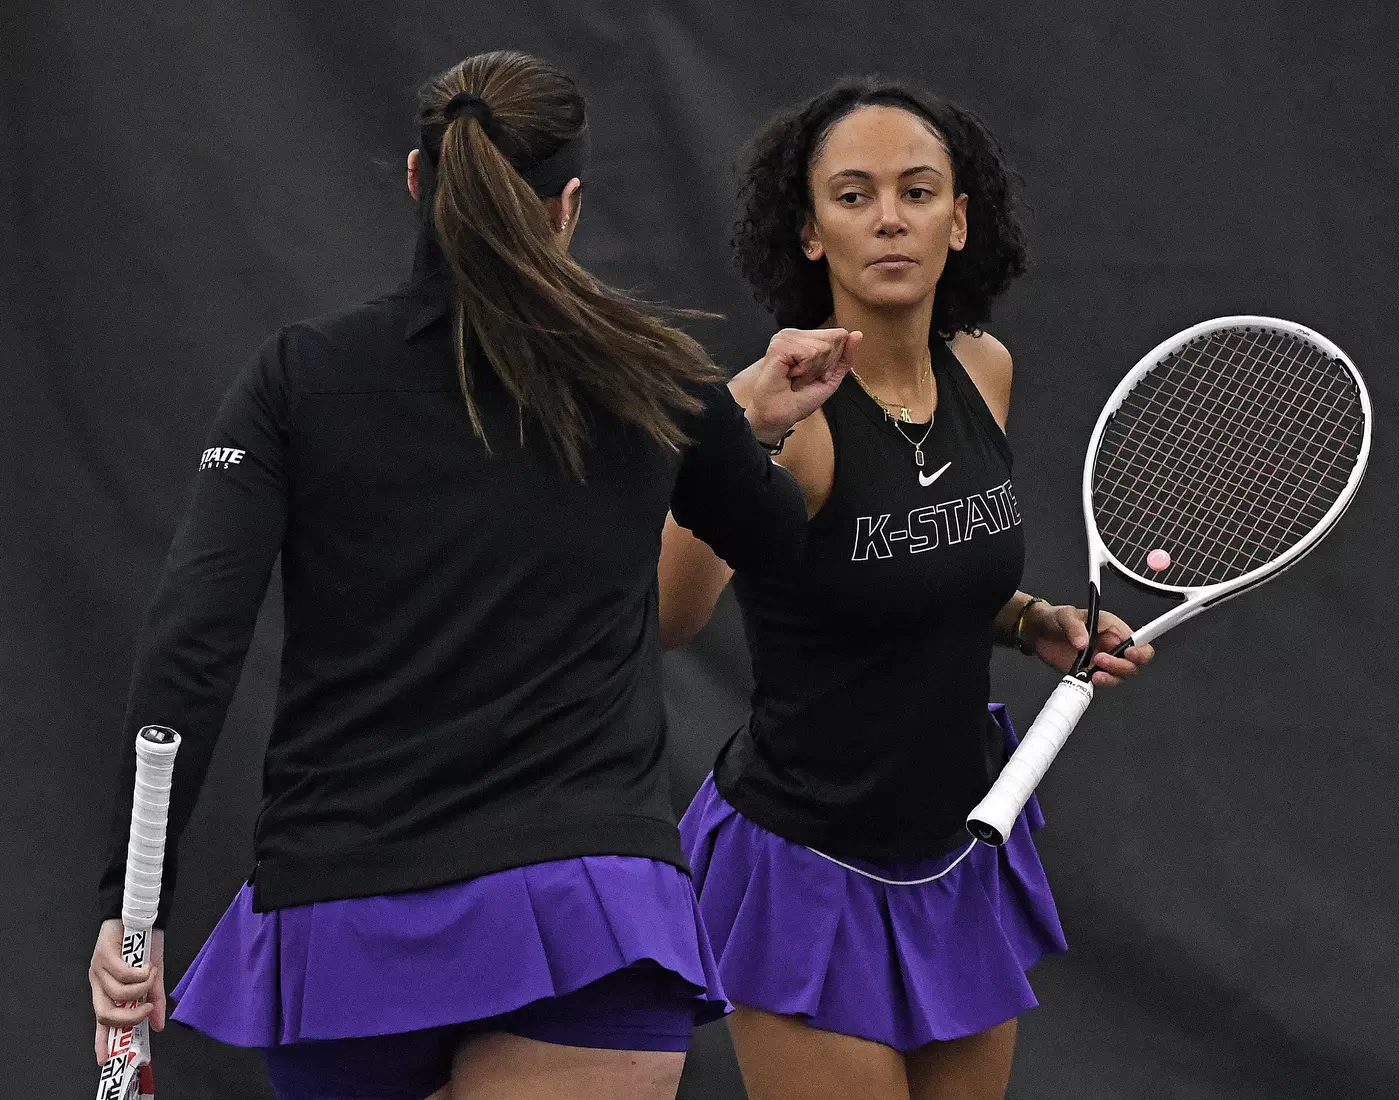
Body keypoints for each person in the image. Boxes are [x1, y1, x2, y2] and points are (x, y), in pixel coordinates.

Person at [88, 50, 852, 1100]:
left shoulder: (295, 378)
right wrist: (737, 425)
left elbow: (192, 644)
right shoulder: (654, 374)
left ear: (416, 179)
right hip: (588, 907)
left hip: (341, 923)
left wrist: (135, 916)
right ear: (568, 204)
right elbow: (773, 539)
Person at [660, 78, 1156, 1100]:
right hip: (807, 865)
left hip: (959, 845)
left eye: (917, 190)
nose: (889, 216)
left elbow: (921, 570)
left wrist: (1033, 621)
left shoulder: (984, 370)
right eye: (852, 195)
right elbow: (665, 616)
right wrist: (737, 427)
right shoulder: (788, 421)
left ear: (959, 219)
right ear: (808, 233)